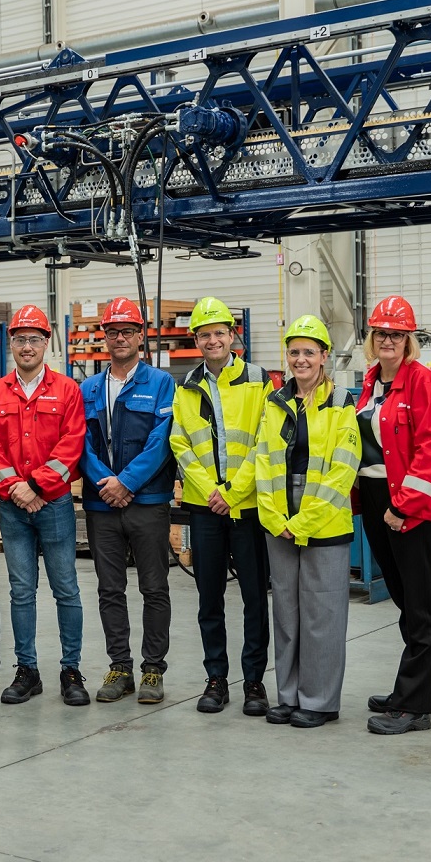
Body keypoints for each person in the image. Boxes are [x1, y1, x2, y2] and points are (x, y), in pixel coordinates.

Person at [251, 315, 361, 729]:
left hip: (324, 520)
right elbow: (263, 461)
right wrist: (274, 517)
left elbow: (342, 469)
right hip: (279, 518)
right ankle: (289, 695)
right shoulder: (276, 402)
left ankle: (320, 701)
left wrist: (302, 523)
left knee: (322, 614)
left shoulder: (342, 403)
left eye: (309, 352)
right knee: (287, 612)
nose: (301, 359)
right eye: (294, 352)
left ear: (324, 356)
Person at [0, 304, 90, 706]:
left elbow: (71, 445)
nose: (27, 346)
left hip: (54, 504)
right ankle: (27, 670)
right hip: (13, 508)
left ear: (46, 343)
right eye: (20, 339)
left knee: (66, 589)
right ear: (11, 344)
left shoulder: (67, 390)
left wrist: (36, 487)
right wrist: (16, 490)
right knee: (21, 591)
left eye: (34, 339)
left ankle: (70, 669)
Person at [170, 296, 273, 716]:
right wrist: (212, 490)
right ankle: (216, 678)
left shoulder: (259, 380)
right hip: (204, 508)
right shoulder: (186, 386)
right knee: (209, 598)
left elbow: (266, 442)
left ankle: (254, 681)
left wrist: (232, 492)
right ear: (195, 340)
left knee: (254, 598)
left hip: (247, 508)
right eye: (204, 334)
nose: (212, 340)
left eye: (219, 333)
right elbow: (180, 443)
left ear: (232, 336)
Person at [356, 296, 431, 735]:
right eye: (381, 333)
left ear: (408, 339)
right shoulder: (371, 380)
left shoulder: (422, 382)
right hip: (376, 499)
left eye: (396, 334)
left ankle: (412, 706)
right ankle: (419, 691)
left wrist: (402, 507)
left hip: (410, 505)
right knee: (404, 600)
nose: (388, 340)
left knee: (421, 606)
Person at [79, 296, 176, 704]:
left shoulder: (161, 383)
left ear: (140, 337)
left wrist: (127, 483)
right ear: (104, 337)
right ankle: (120, 667)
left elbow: (162, 441)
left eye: (128, 331)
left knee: (154, 588)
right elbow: (80, 444)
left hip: (148, 501)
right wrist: (107, 483)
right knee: (110, 589)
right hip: (102, 504)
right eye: (113, 331)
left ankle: (153, 670)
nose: (120, 338)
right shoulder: (88, 388)